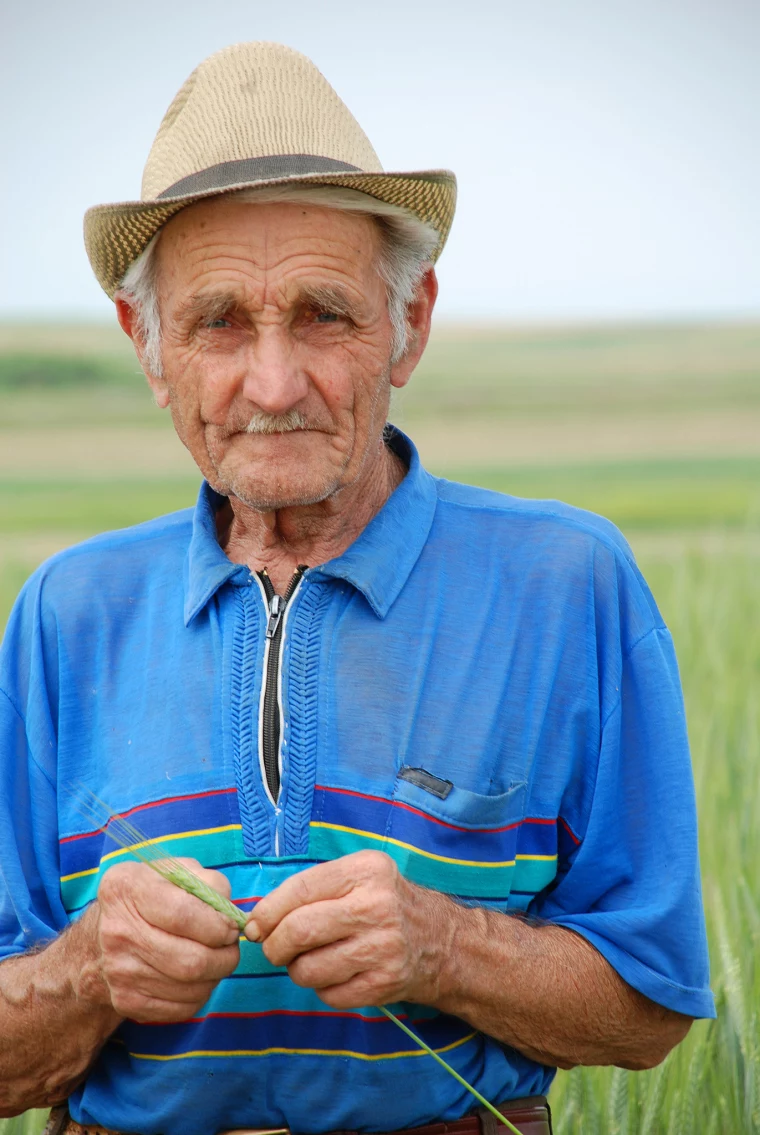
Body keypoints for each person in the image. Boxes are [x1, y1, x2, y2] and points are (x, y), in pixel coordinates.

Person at [0, 41, 714, 1135]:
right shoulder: (66, 615)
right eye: (220, 321)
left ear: (410, 323)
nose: (274, 383)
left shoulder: (567, 584)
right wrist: (86, 970)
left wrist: (446, 946)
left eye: (324, 314)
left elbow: (650, 1006)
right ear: (148, 345)